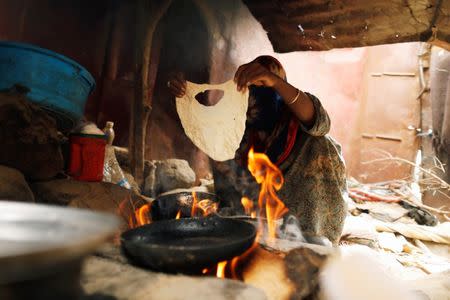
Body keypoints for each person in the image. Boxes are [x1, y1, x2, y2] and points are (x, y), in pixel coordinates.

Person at [168, 55, 347, 245]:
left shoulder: (299, 126)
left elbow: (321, 123)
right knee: (222, 152)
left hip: (306, 226)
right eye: (252, 91)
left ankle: (316, 239)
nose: (258, 100)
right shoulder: (237, 134)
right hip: (261, 221)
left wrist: (274, 82)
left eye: (269, 89)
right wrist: (184, 94)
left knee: (320, 143)